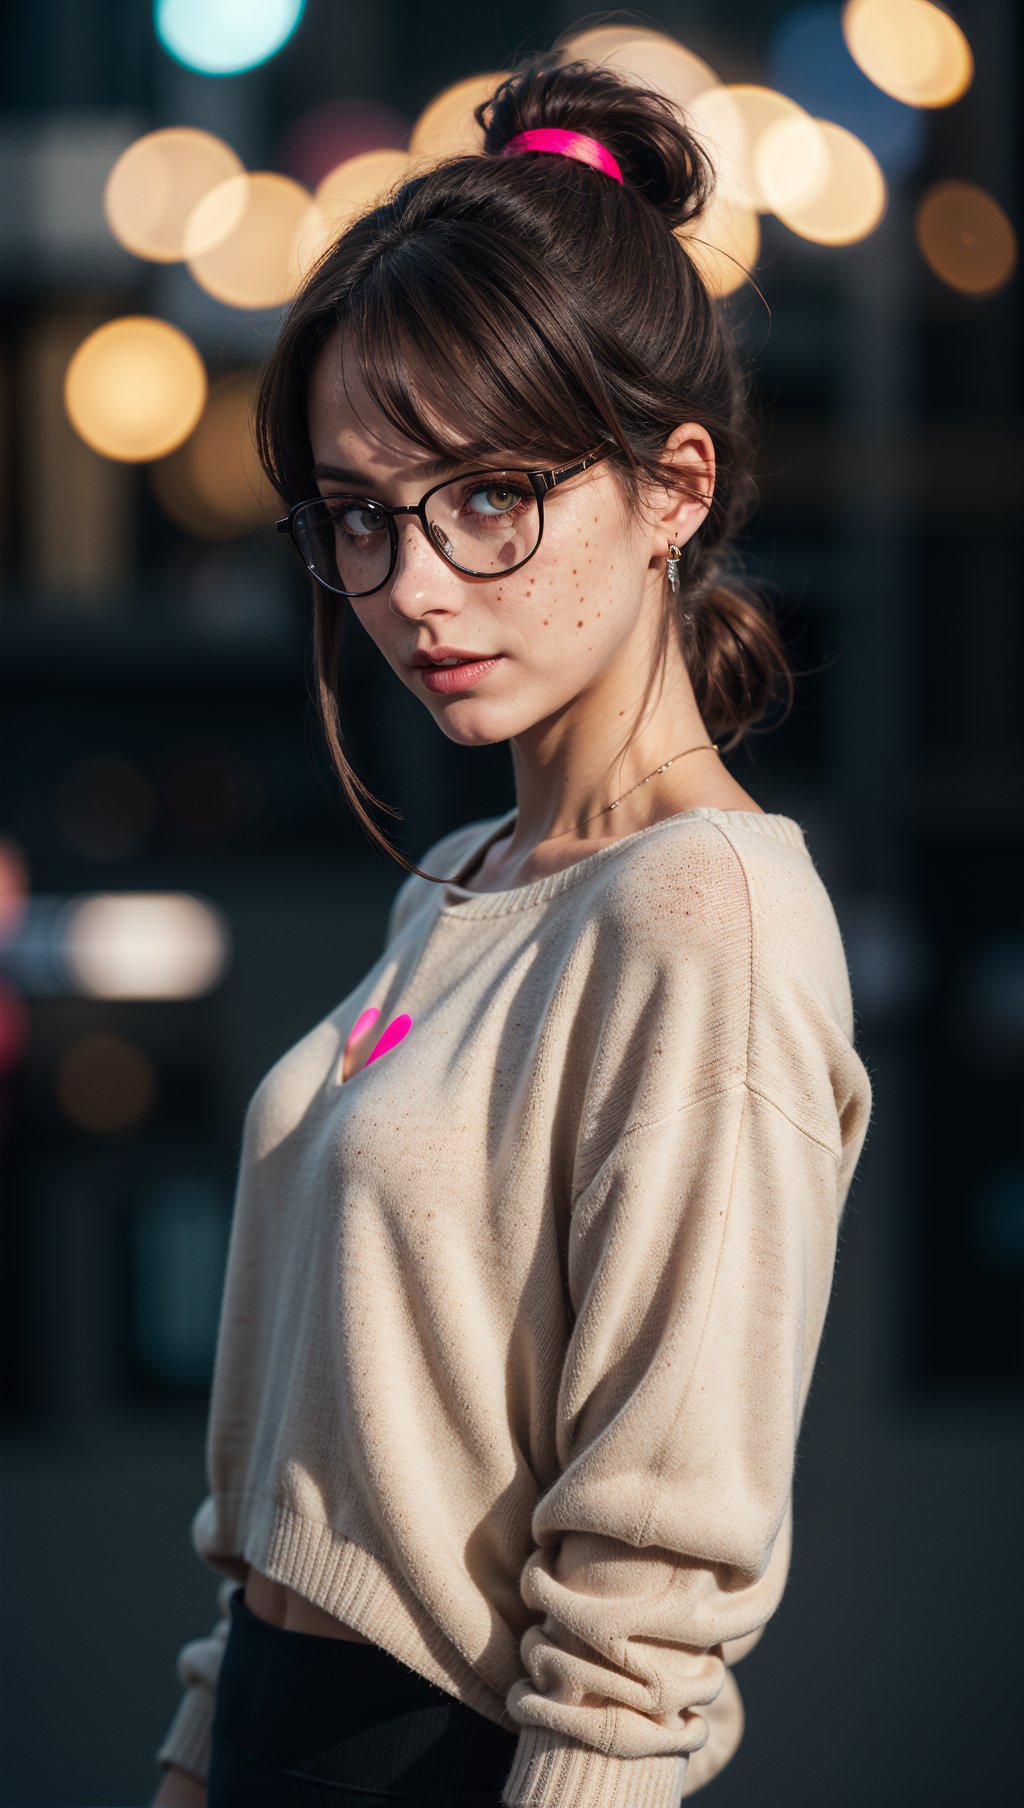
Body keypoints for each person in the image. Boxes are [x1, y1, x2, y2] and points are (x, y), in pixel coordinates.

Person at [151, 45, 874, 1808]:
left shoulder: (707, 911)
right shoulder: (466, 872)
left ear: (673, 488)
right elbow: (301, 1493)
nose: (413, 589)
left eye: (489, 498)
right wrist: (194, 1755)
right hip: (269, 1740)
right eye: (361, 520)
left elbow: (646, 1606)